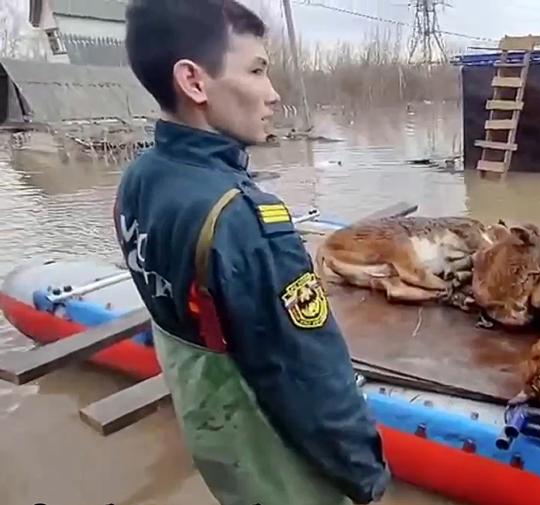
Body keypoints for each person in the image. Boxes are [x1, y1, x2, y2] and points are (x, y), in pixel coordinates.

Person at [113, 1, 390, 504]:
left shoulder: (139, 179)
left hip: (215, 440)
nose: (273, 93)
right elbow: (311, 376)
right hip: (282, 465)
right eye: (257, 70)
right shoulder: (247, 222)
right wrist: (367, 476)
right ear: (194, 82)